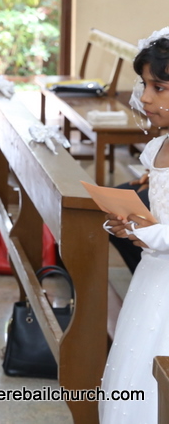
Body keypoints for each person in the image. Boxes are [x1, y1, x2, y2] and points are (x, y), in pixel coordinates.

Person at [101, 29, 169, 423]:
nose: (145, 98)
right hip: (151, 278)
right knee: (134, 369)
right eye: (145, 85)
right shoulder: (157, 148)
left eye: (159, 87)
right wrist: (127, 224)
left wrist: (146, 232)